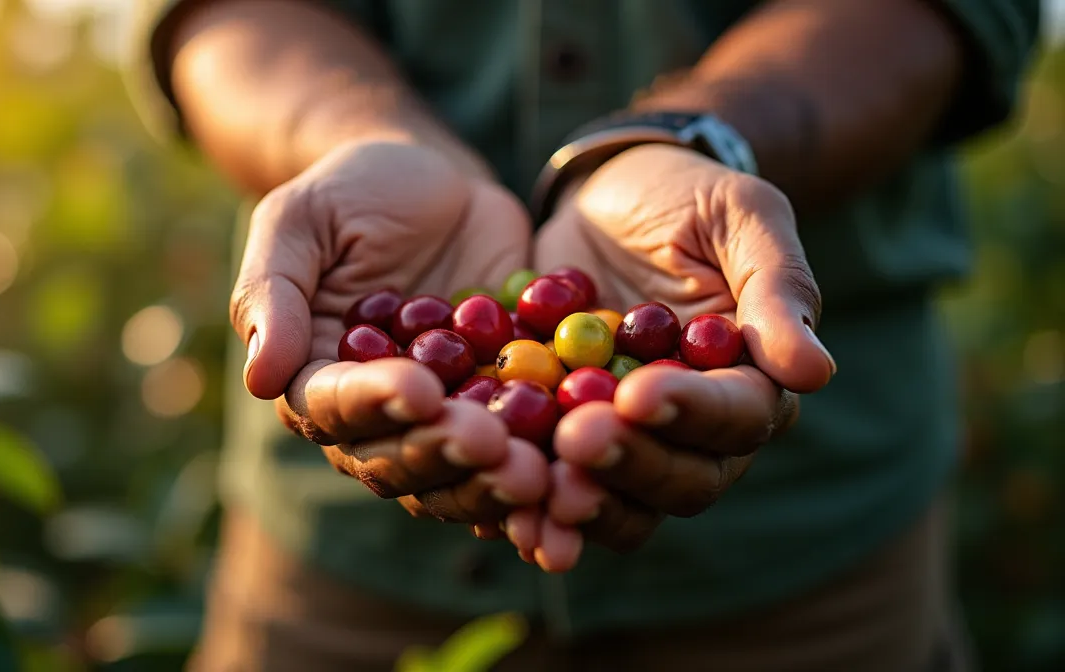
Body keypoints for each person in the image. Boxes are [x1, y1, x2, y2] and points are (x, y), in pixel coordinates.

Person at [129, 1, 1041, 670]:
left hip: (814, 563)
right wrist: (359, 135)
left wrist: (697, 138)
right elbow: (222, 16)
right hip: (335, 578)